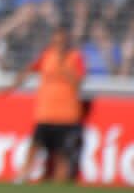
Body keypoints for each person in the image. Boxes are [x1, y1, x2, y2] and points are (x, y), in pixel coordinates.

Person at [5, 27, 86, 183]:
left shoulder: (75, 58)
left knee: (62, 155)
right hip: (45, 113)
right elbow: (29, 70)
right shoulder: (47, 55)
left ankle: (60, 184)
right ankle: (23, 175)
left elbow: (78, 84)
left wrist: (65, 68)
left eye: (61, 41)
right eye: (56, 41)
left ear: (67, 41)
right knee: (34, 147)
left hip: (67, 116)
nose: (58, 44)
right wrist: (12, 87)